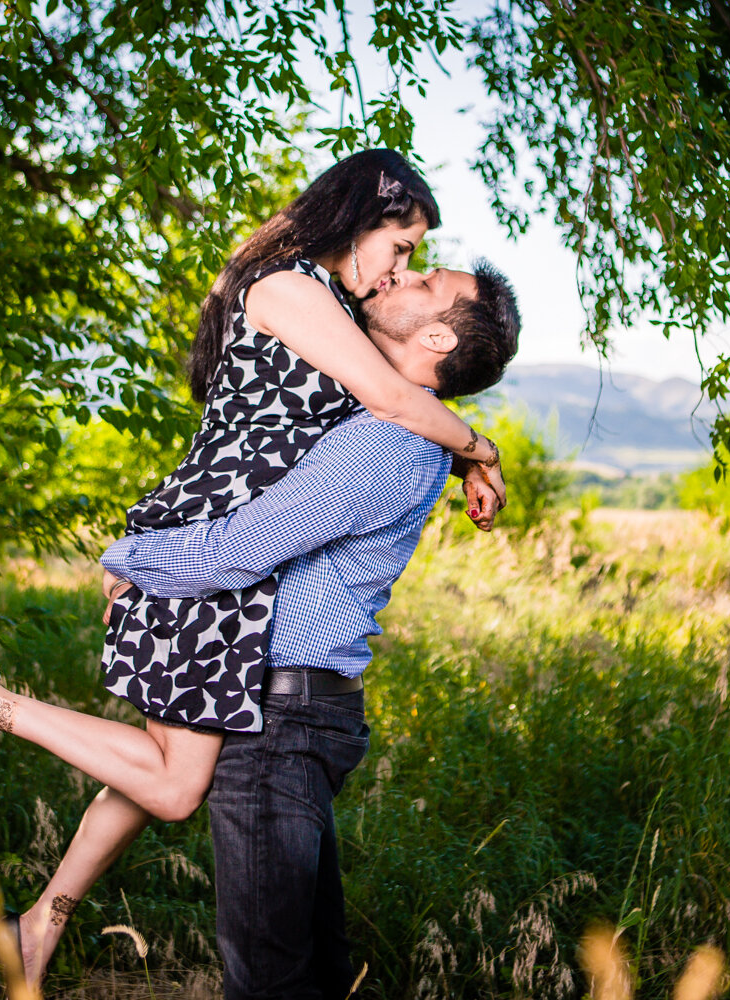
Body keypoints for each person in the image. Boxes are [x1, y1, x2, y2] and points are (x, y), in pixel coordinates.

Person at [0, 151, 505, 976]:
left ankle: (40, 924)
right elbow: (390, 403)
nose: (399, 271)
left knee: (166, 773)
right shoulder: (289, 289)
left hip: (231, 550)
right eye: (402, 248)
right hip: (210, 541)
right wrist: (481, 448)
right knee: (175, 784)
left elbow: (394, 403)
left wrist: (458, 458)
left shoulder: (338, 318)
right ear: (357, 223)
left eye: (416, 264)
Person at [87, 260, 521, 998]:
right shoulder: (399, 429)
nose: (396, 278)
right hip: (297, 714)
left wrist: (130, 558)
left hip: (278, 725)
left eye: (423, 283)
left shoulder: (384, 442)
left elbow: (240, 550)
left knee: (268, 977)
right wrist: (473, 451)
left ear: (440, 334)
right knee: (303, 969)